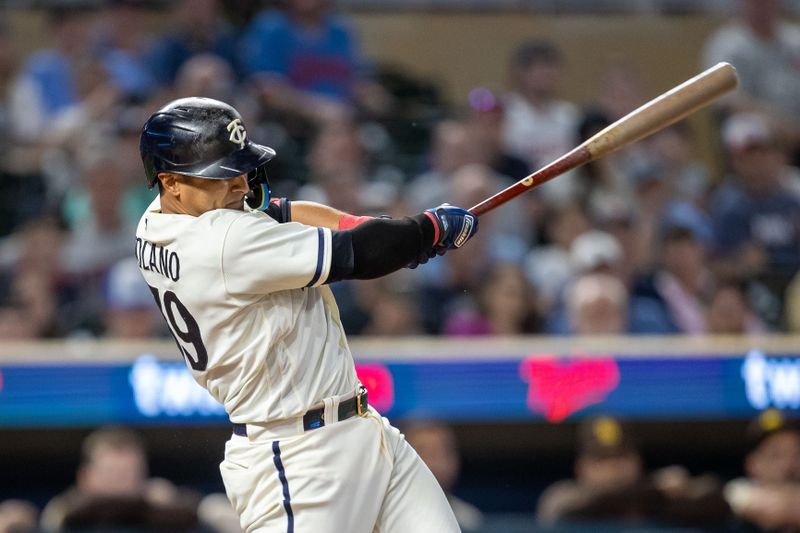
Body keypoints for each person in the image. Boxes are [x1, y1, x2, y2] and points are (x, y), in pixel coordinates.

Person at [136, 97, 477, 532]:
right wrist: (426, 229)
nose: (239, 186)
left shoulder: (158, 220)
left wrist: (373, 226)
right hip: (298, 458)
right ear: (171, 181)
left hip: (363, 430)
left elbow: (282, 212)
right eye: (221, 177)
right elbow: (360, 256)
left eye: (239, 169)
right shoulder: (222, 241)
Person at [40, 426, 198, 532]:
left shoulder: (168, 514)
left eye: (129, 473)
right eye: (110, 473)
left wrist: (169, 506)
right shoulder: (62, 517)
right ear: (85, 477)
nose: (120, 483)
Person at [724, 409, 800, 531]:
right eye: (776, 456)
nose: (789, 464)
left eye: (797, 454)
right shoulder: (735, 517)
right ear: (752, 464)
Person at [402, 421, 484, 533]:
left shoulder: (469, 521)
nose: (432, 464)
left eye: (437, 453)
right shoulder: (381, 518)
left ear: (454, 461)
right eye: (421, 453)